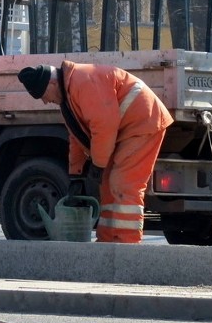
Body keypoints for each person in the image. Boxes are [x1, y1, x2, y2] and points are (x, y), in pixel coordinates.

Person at [17, 61, 173, 243]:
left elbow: (104, 126)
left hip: (144, 123)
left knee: (123, 184)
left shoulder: (83, 81)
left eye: (43, 96)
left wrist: (98, 164)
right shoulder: (69, 94)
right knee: (106, 185)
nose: (45, 101)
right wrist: (76, 175)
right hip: (128, 128)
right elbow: (77, 137)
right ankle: (107, 241)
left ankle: (127, 244)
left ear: (51, 83)